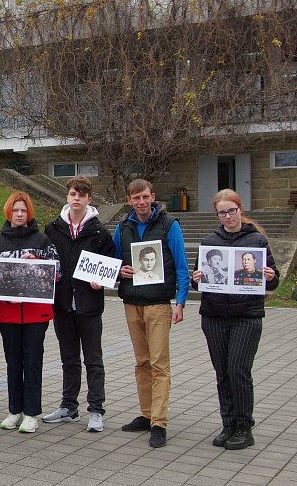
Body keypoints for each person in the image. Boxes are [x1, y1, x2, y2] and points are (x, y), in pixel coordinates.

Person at [191, 189, 279, 450]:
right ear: (217, 214)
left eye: (232, 210)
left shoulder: (257, 241)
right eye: (222, 212)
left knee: (238, 371)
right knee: (222, 374)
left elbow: (274, 279)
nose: (228, 216)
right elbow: (201, 282)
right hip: (214, 316)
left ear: (241, 210)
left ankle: (244, 426)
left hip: (246, 316)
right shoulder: (209, 240)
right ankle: (228, 423)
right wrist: (197, 279)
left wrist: (271, 276)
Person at [113, 179, 189, 448]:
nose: (141, 202)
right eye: (136, 198)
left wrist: (180, 302)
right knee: (142, 362)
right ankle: (146, 414)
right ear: (129, 200)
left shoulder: (169, 225)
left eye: (145, 197)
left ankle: (159, 422)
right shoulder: (123, 227)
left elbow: (181, 266)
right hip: (131, 303)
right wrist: (119, 271)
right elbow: (114, 262)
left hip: (158, 304)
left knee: (159, 363)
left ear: (153, 197)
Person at [44, 176, 115, 432]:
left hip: (89, 304)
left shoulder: (99, 232)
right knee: (69, 359)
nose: (77, 198)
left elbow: (110, 266)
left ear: (89, 199)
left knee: (94, 360)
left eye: (82, 195)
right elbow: (47, 262)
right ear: (67, 196)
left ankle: (96, 410)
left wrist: (102, 281)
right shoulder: (52, 229)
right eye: (73, 193)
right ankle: (68, 407)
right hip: (62, 304)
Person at [0, 191, 60, 435]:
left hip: (35, 314)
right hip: (8, 313)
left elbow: (57, 273)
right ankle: (14, 410)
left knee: (32, 361)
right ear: (8, 212)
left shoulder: (43, 241)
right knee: (13, 361)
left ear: (29, 213)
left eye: (23, 210)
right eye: (15, 210)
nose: (19, 214)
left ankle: (31, 413)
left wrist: (39, 263)